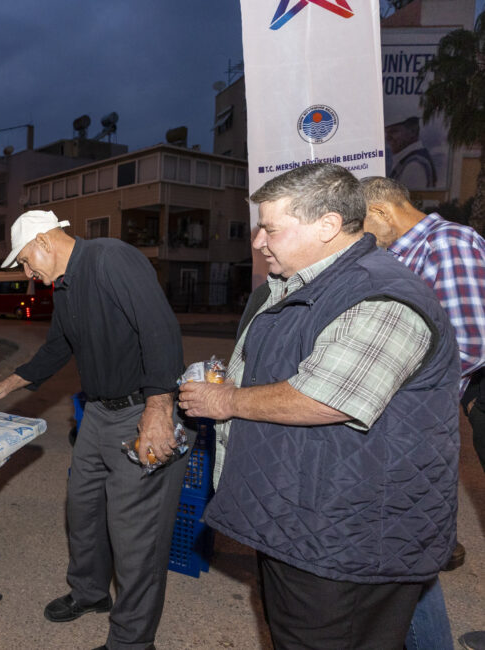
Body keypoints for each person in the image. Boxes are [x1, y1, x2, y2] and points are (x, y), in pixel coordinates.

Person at [178, 163, 460, 648]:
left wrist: (225, 399)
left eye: (270, 227)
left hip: (349, 539)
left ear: (328, 225)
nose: (259, 241)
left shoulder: (382, 296)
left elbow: (326, 396)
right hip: (306, 522)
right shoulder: (298, 287)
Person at [0, 209, 187, 650]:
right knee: (83, 509)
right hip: (98, 414)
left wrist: (160, 411)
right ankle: (89, 594)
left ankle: (132, 641)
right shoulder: (66, 287)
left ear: (45, 242)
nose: (29, 275)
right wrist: (0, 387)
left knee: (135, 534)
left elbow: (160, 330)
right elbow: (56, 350)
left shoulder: (112, 259)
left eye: (27, 262)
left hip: (142, 411)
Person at [361, 175, 485, 650]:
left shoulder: (446, 242)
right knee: (397, 546)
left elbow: (471, 342)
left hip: (416, 417)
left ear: (383, 211)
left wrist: (390, 385)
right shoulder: (398, 254)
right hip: (405, 418)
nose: (362, 236)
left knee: (401, 546)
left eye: (364, 224)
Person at [385, 114, 438, 189]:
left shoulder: (414, 166)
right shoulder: (407, 160)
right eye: (387, 133)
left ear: (412, 132)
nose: (387, 138)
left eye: (394, 131)